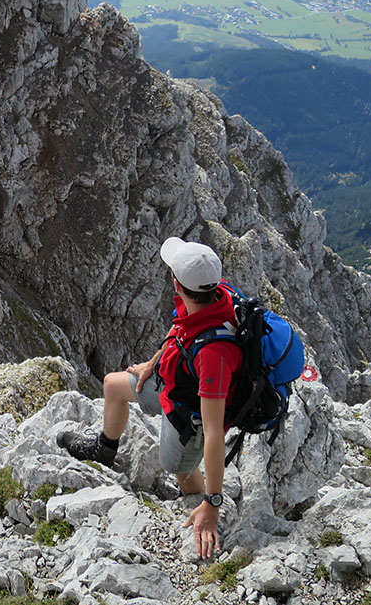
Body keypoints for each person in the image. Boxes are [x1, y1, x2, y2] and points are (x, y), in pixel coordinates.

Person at [56, 237, 243, 559]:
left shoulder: (214, 353)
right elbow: (182, 329)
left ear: (177, 283)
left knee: (179, 469)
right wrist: (157, 361)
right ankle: (103, 449)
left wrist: (213, 503)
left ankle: (196, 498)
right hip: (175, 384)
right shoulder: (214, 294)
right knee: (113, 385)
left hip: (190, 414)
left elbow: (213, 430)